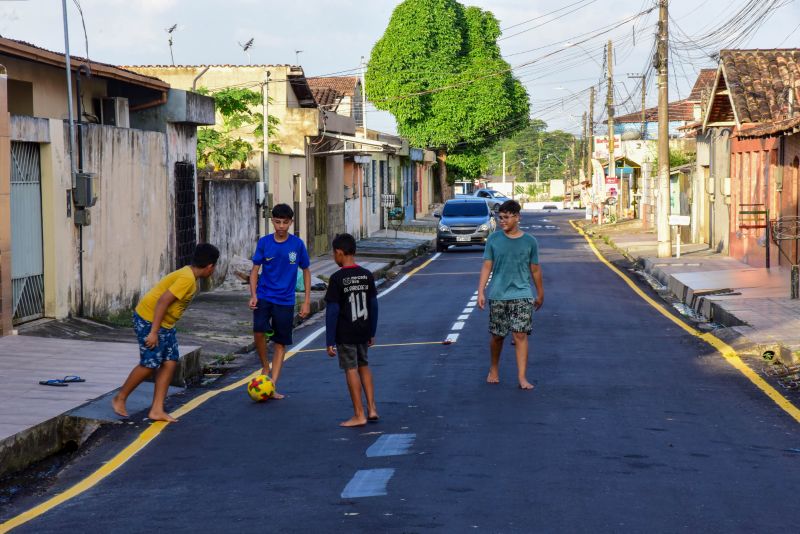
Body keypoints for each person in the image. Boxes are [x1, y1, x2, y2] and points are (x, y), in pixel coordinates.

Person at [112, 243, 220, 422]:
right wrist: (153, 332)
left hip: (165, 324)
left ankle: (156, 409)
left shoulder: (189, 276)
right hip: (149, 319)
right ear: (210, 266)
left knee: (170, 362)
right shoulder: (187, 279)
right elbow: (163, 301)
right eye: (214, 266)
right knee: (149, 364)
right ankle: (120, 398)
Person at [476, 199, 544, 390]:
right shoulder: (494, 239)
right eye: (500, 218)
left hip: (522, 293)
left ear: (517, 217)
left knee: (520, 334)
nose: (502, 221)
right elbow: (486, 266)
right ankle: (494, 368)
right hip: (498, 294)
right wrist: (480, 291)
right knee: (498, 336)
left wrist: (540, 293)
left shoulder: (530, 241)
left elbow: (536, 270)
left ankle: (522, 377)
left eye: (506, 217)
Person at [249, 203, 311, 398]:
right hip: (265, 295)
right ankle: (265, 367)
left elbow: (307, 271)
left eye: (285, 222)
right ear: (272, 221)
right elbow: (254, 270)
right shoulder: (265, 243)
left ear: (291, 222)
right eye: (278, 222)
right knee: (258, 330)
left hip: (285, 300)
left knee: (280, 342)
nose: (281, 226)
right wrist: (253, 294)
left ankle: (272, 385)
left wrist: (307, 300)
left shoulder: (297, 245)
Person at [324, 233, 379, 427]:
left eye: (334, 254)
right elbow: (373, 305)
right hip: (364, 329)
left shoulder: (337, 278)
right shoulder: (366, 275)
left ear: (339, 253)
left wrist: (329, 340)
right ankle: (372, 408)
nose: (333, 257)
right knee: (364, 365)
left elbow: (332, 311)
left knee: (351, 368)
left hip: (345, 331)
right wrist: (372, 331)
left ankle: (359, 414)